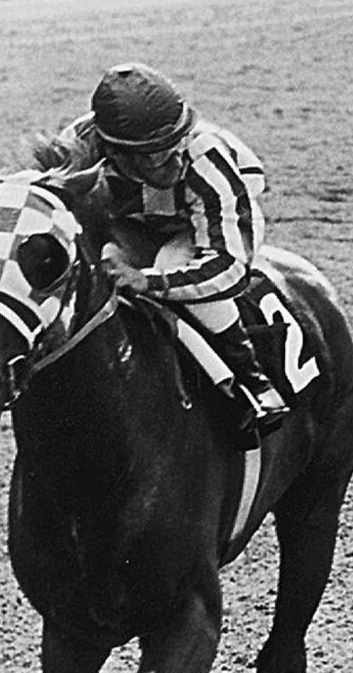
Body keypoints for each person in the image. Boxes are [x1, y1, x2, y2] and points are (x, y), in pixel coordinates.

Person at [53, 62, 290, 433]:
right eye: (154, 152)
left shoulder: (205, 157)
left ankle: (251, 381)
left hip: (210, 214)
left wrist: (149, 281)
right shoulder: (78, 147)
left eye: (175, 141)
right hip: (133, 217)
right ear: (114, 150)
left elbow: (228, 267)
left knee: (171, 260)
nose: (175, 156)